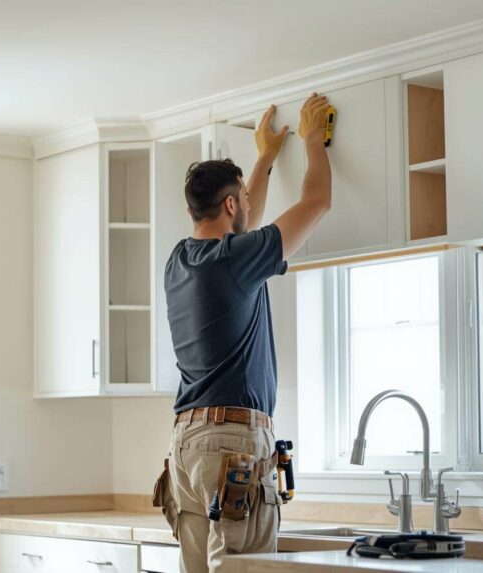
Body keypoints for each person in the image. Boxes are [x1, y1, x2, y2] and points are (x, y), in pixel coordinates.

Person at [155, 93, 332, 572]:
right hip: (231, 443)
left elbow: (243, 221)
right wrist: (314, 140)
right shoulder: (235, 261)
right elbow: (317, 203)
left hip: (187, 446)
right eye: (244, 199)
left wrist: (266, 157)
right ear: (230, 203)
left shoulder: (179, 260)